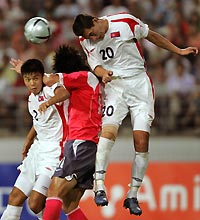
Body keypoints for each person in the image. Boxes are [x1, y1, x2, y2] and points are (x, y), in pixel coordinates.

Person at [72, 13, 198, 216]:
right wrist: (102, 73)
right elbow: (94, 63)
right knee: (106, 135)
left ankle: (132, 195)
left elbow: (151, 35)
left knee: (141, 142)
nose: (93, 38)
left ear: (95, 21)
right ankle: (99, 186)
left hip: (139, 86)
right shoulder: (85, 39)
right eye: (89, 37)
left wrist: (178, 50)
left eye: (93, 33)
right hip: (115, 87)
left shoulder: (124, 23)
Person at [0, 59, 69, 220]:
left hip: (54, 153)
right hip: (37, 151)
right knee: (14, 199)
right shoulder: (32, 97)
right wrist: (28, 141)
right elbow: (38, 122)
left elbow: (64, 93)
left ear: (42, 77)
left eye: (35, 78)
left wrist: (49, 102)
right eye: (27, 79)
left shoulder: (49, 89)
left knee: (35, 204)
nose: (32, 83)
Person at [41, 45, 102, 220]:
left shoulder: (84, 77)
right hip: (89, 146)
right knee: (70, 204)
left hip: (81, 143)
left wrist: (25, 69)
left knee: (54, 190)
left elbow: (50, 79)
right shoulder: (89, 84)